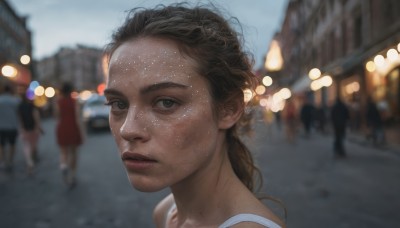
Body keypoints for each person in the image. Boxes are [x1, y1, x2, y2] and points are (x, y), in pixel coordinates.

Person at [104, 3, 284, 227]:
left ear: (229, 109)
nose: (127, 129)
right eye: (118, 104)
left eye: (166, 102)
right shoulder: (166, 213)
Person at [55, 82, 83, 188]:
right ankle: (72, 175)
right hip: (73, 128)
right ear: (71, 90)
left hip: (62, 128)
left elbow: (56, 116)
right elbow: (77, 118)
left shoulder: (58, 102)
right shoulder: (75, 102)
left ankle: (63, 165)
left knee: (63, 151)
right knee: (74, 153)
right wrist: (82, 133)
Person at [18, 94, 43, 175]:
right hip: (33, 129)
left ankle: (29, 161)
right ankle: (31, 159)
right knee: (33, 146)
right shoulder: (33, 107)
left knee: (27, 146)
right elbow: (36, 118)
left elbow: (20, 119)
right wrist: (39, 128)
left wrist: (21, 128)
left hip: (25, 129)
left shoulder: (20, 107)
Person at [0, 84, 21, 172]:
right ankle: (10, 161)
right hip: (13, 126)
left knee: (1, 145)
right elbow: (20, 113)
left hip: (1, 126)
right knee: (12, 144)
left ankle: (2, 162)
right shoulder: (16, 100)